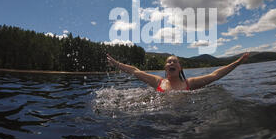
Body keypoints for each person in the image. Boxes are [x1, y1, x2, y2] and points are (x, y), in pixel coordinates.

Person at [106, 52, 250, 92]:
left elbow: (215, 75)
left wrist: (237, 63)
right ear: (165, 68)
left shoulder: (190, 83)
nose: (172, 63)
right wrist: (116, 64)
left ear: (180, 68)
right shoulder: (158, 82)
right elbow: (135, 71)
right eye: (169, 62)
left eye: (175, 61)